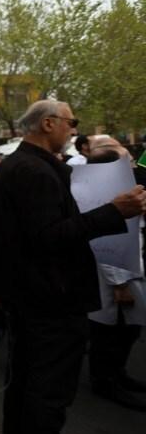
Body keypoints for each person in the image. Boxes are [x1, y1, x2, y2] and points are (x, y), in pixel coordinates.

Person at [0, 99, 146, 434]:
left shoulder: (23, 166)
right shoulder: (34, 171)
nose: (74, 130)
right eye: (72, 122)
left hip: (33, 297)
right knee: (46, 395)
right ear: (48, 123)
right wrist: (114, 212)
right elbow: (49, 237)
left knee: (27, 387)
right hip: (50, 301)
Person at [84, 142, 146, 411]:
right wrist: (120, 285)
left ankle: (118, 374)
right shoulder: (102, 197)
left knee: (128, 330)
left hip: (129, 272)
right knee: (110, 333)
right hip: (116, 281)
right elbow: (106, 246)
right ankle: (105, 381)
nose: (132, 166)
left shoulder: (119, 193)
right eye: (126, 162)